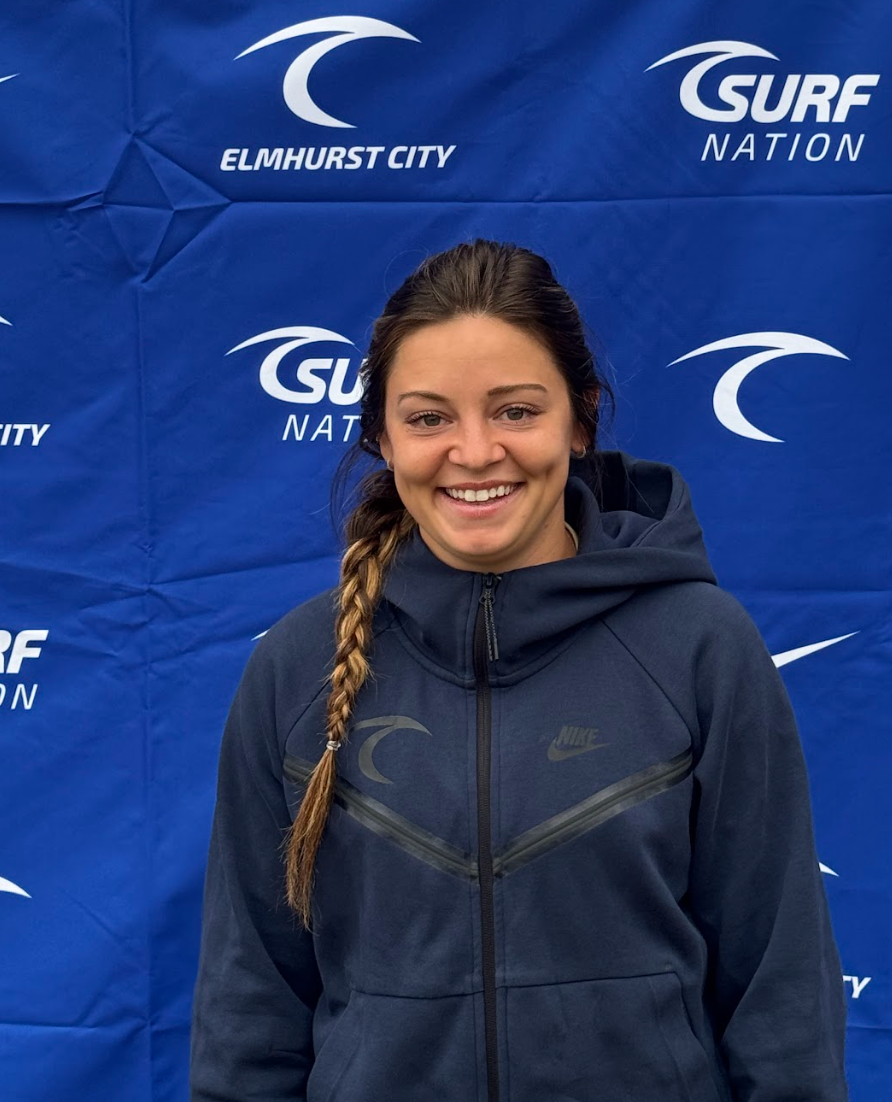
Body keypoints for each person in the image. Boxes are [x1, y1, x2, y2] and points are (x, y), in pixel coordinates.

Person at [188, 239, 848, 1102]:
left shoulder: (700, 647)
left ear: (581, 420)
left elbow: (781, 996)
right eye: (429, 419)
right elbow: (250, 1011)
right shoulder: (294, 668)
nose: (474, 452)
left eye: (515, 411)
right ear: (381, 437)